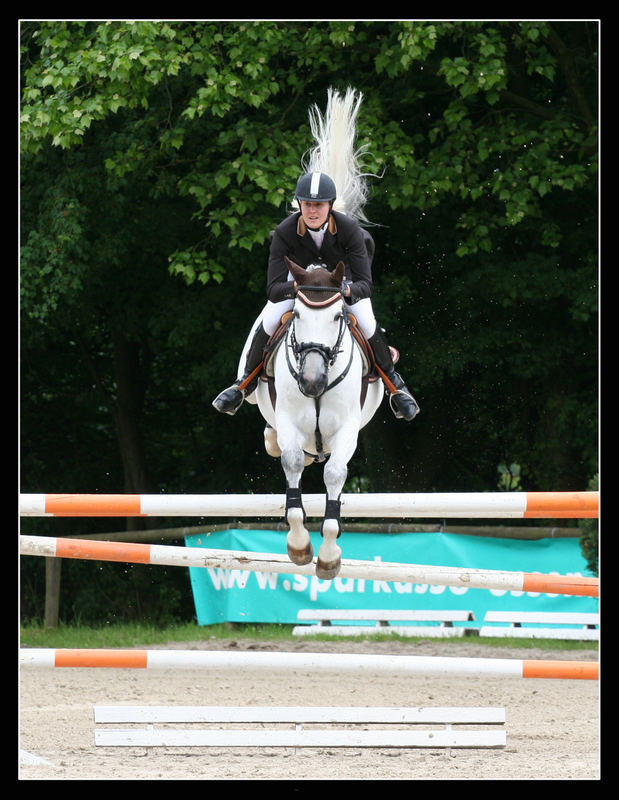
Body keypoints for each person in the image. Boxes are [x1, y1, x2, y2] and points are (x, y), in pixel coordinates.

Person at [212, 170, 420, 421]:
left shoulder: (351, 230)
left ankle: (395, 386)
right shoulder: (283, 232)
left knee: (365, 322)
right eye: (307, 204)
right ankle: (243, 383)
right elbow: (273, 288)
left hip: (341, 284)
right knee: (269, 319)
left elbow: (366, 284)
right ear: (299, 204)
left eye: (318, 205)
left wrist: (345, 290)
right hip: (298, 285)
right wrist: (297, 290)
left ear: (330, 205)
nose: (312, 211)